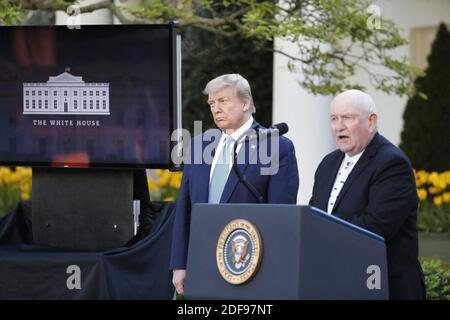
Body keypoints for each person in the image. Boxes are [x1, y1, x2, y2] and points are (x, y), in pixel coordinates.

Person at [170, 74, 300, 295]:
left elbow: (281, 216)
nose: (216, 109)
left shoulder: (276, 146)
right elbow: (185, 208)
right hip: (201, 263)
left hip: (249, 266)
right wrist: (179, 264)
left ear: (246, 103)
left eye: (223, 101)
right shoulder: (201, 145)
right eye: (212, 103)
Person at [309, 89, 426, 299]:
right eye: (334, 118)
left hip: (383, 286)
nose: (339, 126)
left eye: (347, 117)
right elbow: (315, 213)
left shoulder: (392, 164)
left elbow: (376, 227)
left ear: (371, 121)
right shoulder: (328, 164)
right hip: (336, 284)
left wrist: (320, 227)